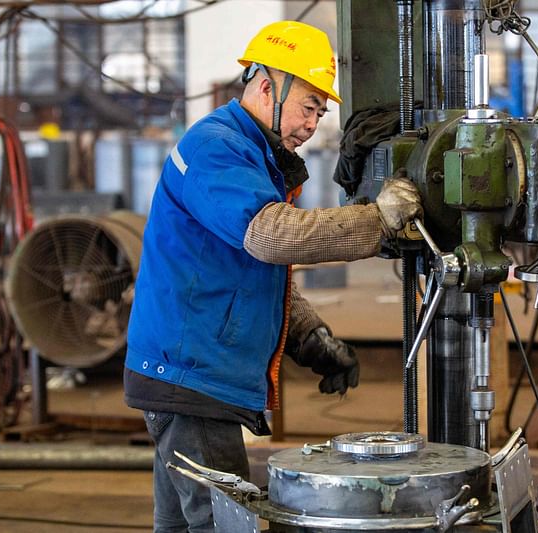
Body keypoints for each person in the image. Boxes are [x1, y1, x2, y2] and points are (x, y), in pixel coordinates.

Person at [123, 20, 422, 533]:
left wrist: (309, 336)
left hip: (185, 373)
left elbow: (251, 269)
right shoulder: (216, 146)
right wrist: (378, 218)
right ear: (266, 87)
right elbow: (270, 236)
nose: (313, 124)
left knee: (180, 526)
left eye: (320, 112)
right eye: (308, 107)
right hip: (191, 375)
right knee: (223, 524)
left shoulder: (253, 154)